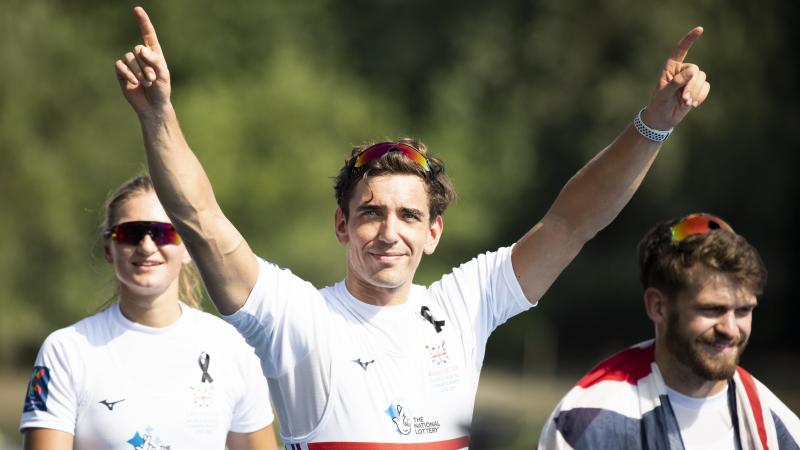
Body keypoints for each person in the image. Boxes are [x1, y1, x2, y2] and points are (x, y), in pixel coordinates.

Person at [114, 5, 711, 447]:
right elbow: (200, 219)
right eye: (371, 212)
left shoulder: (464, 306)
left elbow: (570, 223)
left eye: (409, 215)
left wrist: (653, 125)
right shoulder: (297, 317)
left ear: (434, 234)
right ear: (342, 227)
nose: (389, 231)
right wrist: (158, 116)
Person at [20, 175, 279, 450]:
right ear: (109, 248)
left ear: (189, 246)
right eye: (130, 234)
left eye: (163, 233)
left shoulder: (233, 347)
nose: (146, 246)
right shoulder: (64, 351)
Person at [538, 213, 800, 449]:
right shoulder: (590, 423)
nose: (730, 329)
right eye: (712, 309)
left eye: (743, 310)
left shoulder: (780, 429)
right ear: (658, 306)